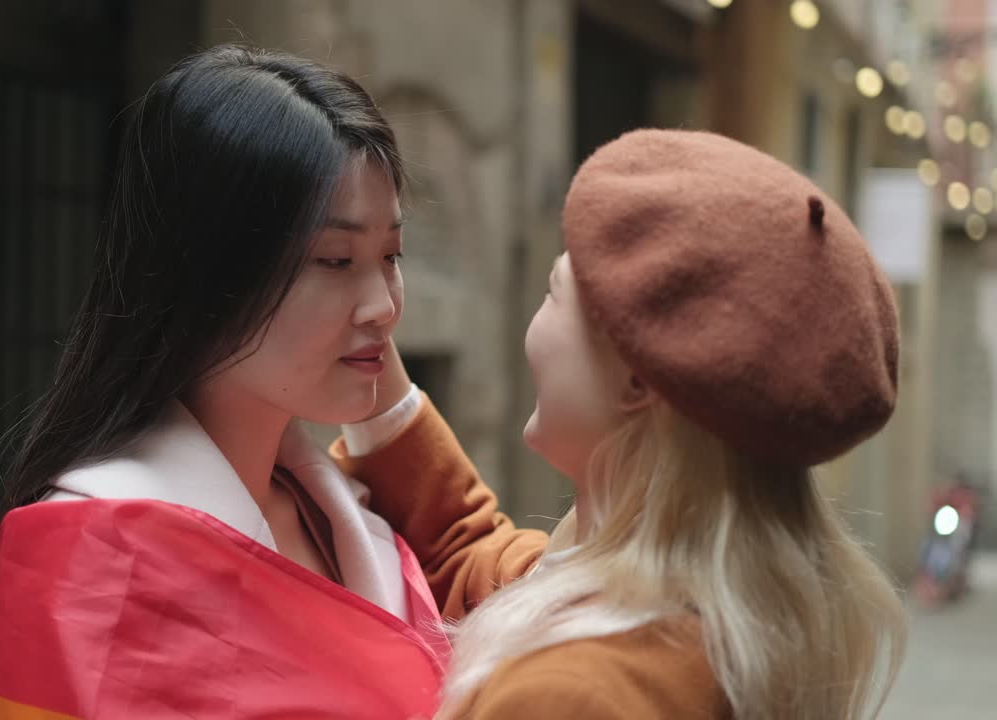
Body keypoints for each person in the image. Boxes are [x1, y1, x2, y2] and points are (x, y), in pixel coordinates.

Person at [0, 44, 526, 720]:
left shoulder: (355, 521)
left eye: (391, 256)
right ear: (207, 273)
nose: (383, 303)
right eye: (335, 259)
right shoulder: (98, 549)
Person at [334, 129, 907, 720]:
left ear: (637, 382)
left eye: (555, 293)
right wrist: (367, 351)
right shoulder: (705, 605)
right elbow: (470, 553)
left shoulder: (574, 697)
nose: (534, 322)